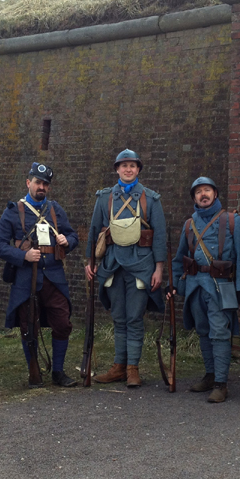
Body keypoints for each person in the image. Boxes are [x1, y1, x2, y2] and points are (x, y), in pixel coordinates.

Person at [0, 162, 80, 388]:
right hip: (25, 280)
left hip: (54, 277)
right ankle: (34, 372)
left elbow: (72, 236)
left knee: (62, 323)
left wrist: (66, 241)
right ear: (28, 182)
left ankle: (58, 372)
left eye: (45, 184)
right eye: (38, 182)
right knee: (28, 326)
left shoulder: (55, 209)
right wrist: (23, 256)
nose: (42, 187)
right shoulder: (13, 210)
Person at [85, 149, 166, 387]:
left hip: (141, 265)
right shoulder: (104, 198)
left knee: (134, 319)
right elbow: (93, 232)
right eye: (123, 166)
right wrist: (90, 262)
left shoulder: (151, 199)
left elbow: (160, 236)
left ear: (138, 169)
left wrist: (158, 268)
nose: (128, 169)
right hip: (112, 264)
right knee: (118, 318)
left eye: (132, 166)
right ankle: (119, 366)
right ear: (117, 169)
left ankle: (133, 368)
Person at [169, 177, 240, 403]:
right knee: (203, 331)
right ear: (194, 197)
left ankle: (220, 384)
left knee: (219, 333)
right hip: (196, 286)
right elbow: (179, 259)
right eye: (198, 192)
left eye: (207, 190)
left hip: (221, 286)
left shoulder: (232, 221)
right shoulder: (189, 224)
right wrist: (174, 284)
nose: (202, 195)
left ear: (215, 194)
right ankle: (210, 374)